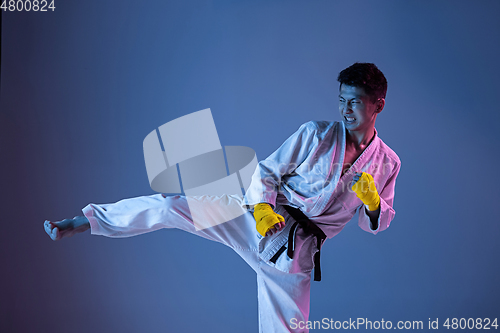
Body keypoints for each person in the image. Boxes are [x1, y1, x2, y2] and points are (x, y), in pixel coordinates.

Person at [44, 62, 401, 333]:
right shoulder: (316, 134)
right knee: (172, 206)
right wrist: (261, 209)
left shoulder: (387, 163)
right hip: (256, 220)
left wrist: (372, 203)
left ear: (378, 105)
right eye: (341, 100)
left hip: (295, 256)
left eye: (354, 102)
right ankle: (85, 221)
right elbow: (266, 172)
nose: (345, 110)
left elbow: (378, 223)